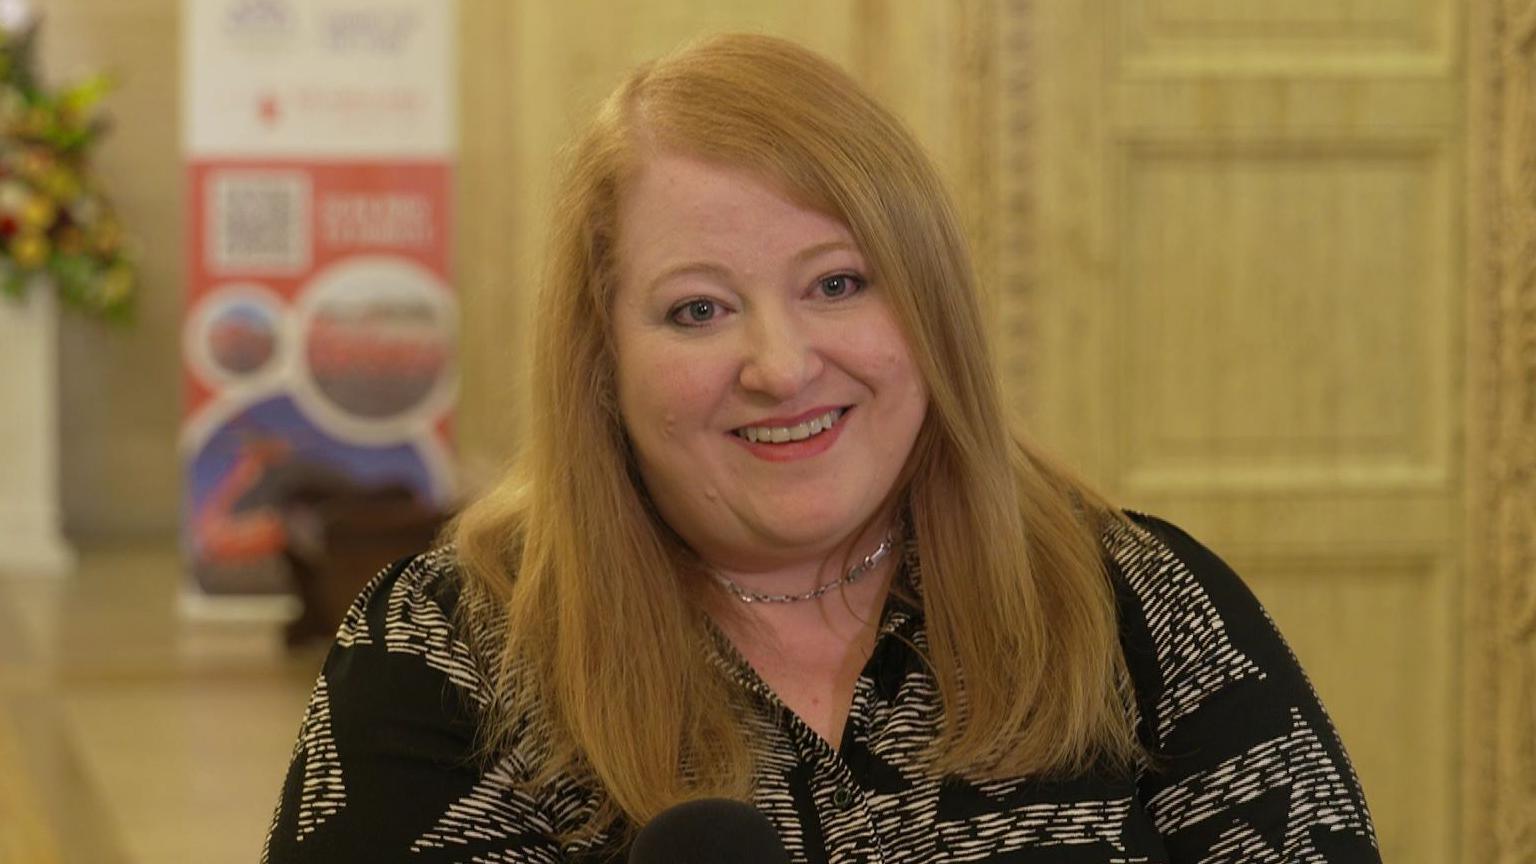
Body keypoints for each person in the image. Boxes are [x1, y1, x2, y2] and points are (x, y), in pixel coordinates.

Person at [263, 33, 1381, 863]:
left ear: (929, 306)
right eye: (697, 310)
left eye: (838, 285)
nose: (783, 366)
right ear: (602, 357)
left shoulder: (1137, 603)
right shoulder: (445, 651)